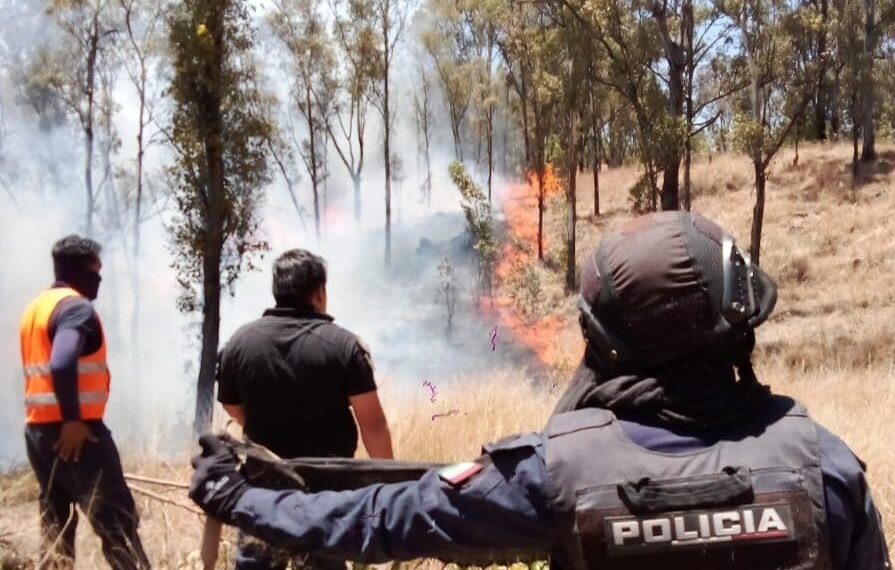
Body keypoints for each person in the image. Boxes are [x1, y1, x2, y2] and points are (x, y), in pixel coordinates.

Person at [191, 212, 891, 570]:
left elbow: (375, 523)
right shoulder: (823, 468)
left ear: (605, 340)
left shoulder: (555, 471)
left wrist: (238, 498)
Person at [216, 248, 394, 569]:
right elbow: (373, 425)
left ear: (277, 290)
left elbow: (230, 404)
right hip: (327, 497)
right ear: (320, 292)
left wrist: (260, 423)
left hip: (262, 490)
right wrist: (391, 487)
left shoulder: (239, 343)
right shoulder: (343, 345)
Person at [20, 235, 150, 569]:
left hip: (38, 432)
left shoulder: (36, 308)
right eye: (97, 271)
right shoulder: (76, 309)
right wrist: (73, 421)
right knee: (118, 523)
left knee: (56, 525)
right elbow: (62, 362)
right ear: (81, 271)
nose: (100, 280)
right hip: (78, 435)